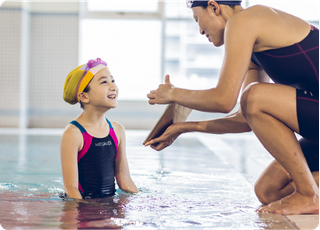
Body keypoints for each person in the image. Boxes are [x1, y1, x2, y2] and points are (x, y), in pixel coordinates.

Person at [145, 0, 319, 214]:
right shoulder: (254, 44)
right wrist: (184, 127)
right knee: (268, 191)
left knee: (254, 95)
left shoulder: (245, 20)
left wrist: (173, 93)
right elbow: (247, 117)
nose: (200, 30)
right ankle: (309, 192)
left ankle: (309, 194)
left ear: (214, 6)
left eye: (198, 19)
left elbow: (224, 100)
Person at [61, 58, 139, 199]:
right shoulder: (73, 133)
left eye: (113, 81)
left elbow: (124, 178)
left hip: (109, 206)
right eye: (104, 82)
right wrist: (85, 213)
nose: (113, 87)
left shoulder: (117, 130)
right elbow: (71, 188)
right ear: (84, 96)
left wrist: (141, 201)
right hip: (84, 207)